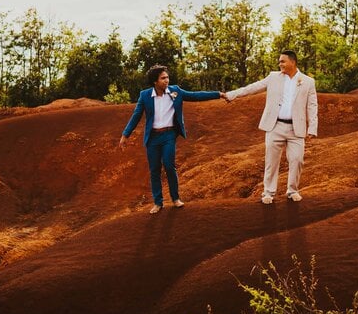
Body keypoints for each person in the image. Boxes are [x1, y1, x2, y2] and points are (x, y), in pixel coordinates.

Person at [119, 65, 222, 214]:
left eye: (167, 77)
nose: (166, 80)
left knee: (168, 165)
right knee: (154, 169)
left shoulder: (175, 91)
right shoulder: (145, 95)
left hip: (169, 135)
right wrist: (125, 135)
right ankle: (158, 202)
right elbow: (136, 116)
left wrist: (218, 94)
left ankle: (175, 198)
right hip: (153, 137)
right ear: (155, 81)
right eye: (163, 78)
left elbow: (195, 95)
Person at [223, 50, 318, 204]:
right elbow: (253, 87)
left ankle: (292, 190)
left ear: (292, 62)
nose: (280, 64)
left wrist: (312, 128)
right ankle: (268, 192)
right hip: (275, 126)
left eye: (283, 61)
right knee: (271, 161)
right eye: (279, 61)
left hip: (296, 128)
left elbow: (312, 105)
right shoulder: (273, 77)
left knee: (297, 160)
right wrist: (231, 94)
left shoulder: (308, 81)